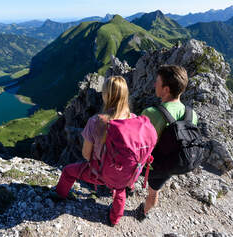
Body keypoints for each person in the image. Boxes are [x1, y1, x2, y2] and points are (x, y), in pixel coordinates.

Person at [52, 76, 135, 226]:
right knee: (120, 189)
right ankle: (114, 219)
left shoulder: (96, 121)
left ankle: (59, 195)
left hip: (100, 173)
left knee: (68, 171)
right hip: (126, 174)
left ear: (106, 95)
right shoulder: (135, 120)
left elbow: (86, 154)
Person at [137, 65, 198, 220]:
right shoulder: (192, 115)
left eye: (157, 82)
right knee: (154, 191)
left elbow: (138, 146)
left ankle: (127, 187)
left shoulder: (151, 113)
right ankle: (143, 212)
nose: (154, 85)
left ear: (166, 89)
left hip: (150, 164)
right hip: (171, 164)